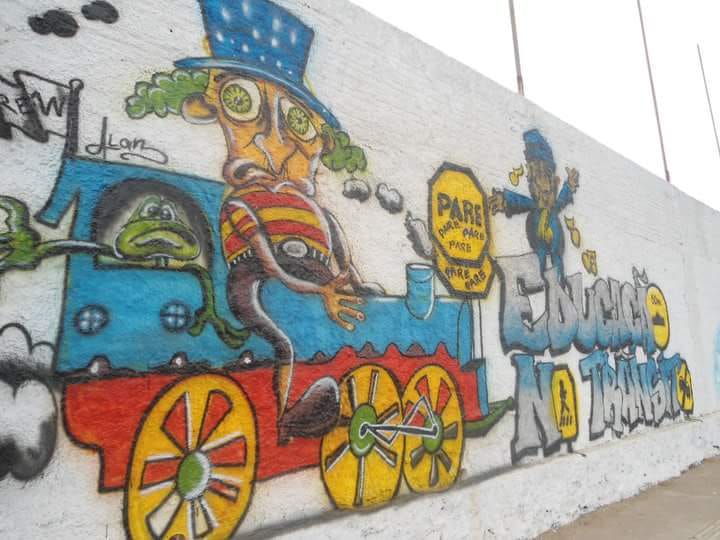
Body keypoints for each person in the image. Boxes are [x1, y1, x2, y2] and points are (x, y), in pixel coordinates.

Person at [177, 0, 382, 441]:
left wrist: (349, 279)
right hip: (259, 280)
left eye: (298, 123)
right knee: (286, 339)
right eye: (244, 104)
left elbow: (338, 245)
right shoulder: (240, 204)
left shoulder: (313, 208)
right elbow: (269, 265)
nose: (277, 141)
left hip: (310, 275)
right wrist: (321, 290)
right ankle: (286, 414)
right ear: (210, 108)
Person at [489, 129, 579, 280]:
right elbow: (520, 202)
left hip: (554, 243)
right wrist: (504, 199)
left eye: (547, 178)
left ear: (554, 181)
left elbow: (561, 200)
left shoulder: (553, 208)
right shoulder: (535, 206)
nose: (544, 188)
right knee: (540, 259)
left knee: (556, 259)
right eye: (537, 179)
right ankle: (543, 280)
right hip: (538, 242)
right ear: (531, 183)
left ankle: (557, 282)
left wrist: (569, 185)